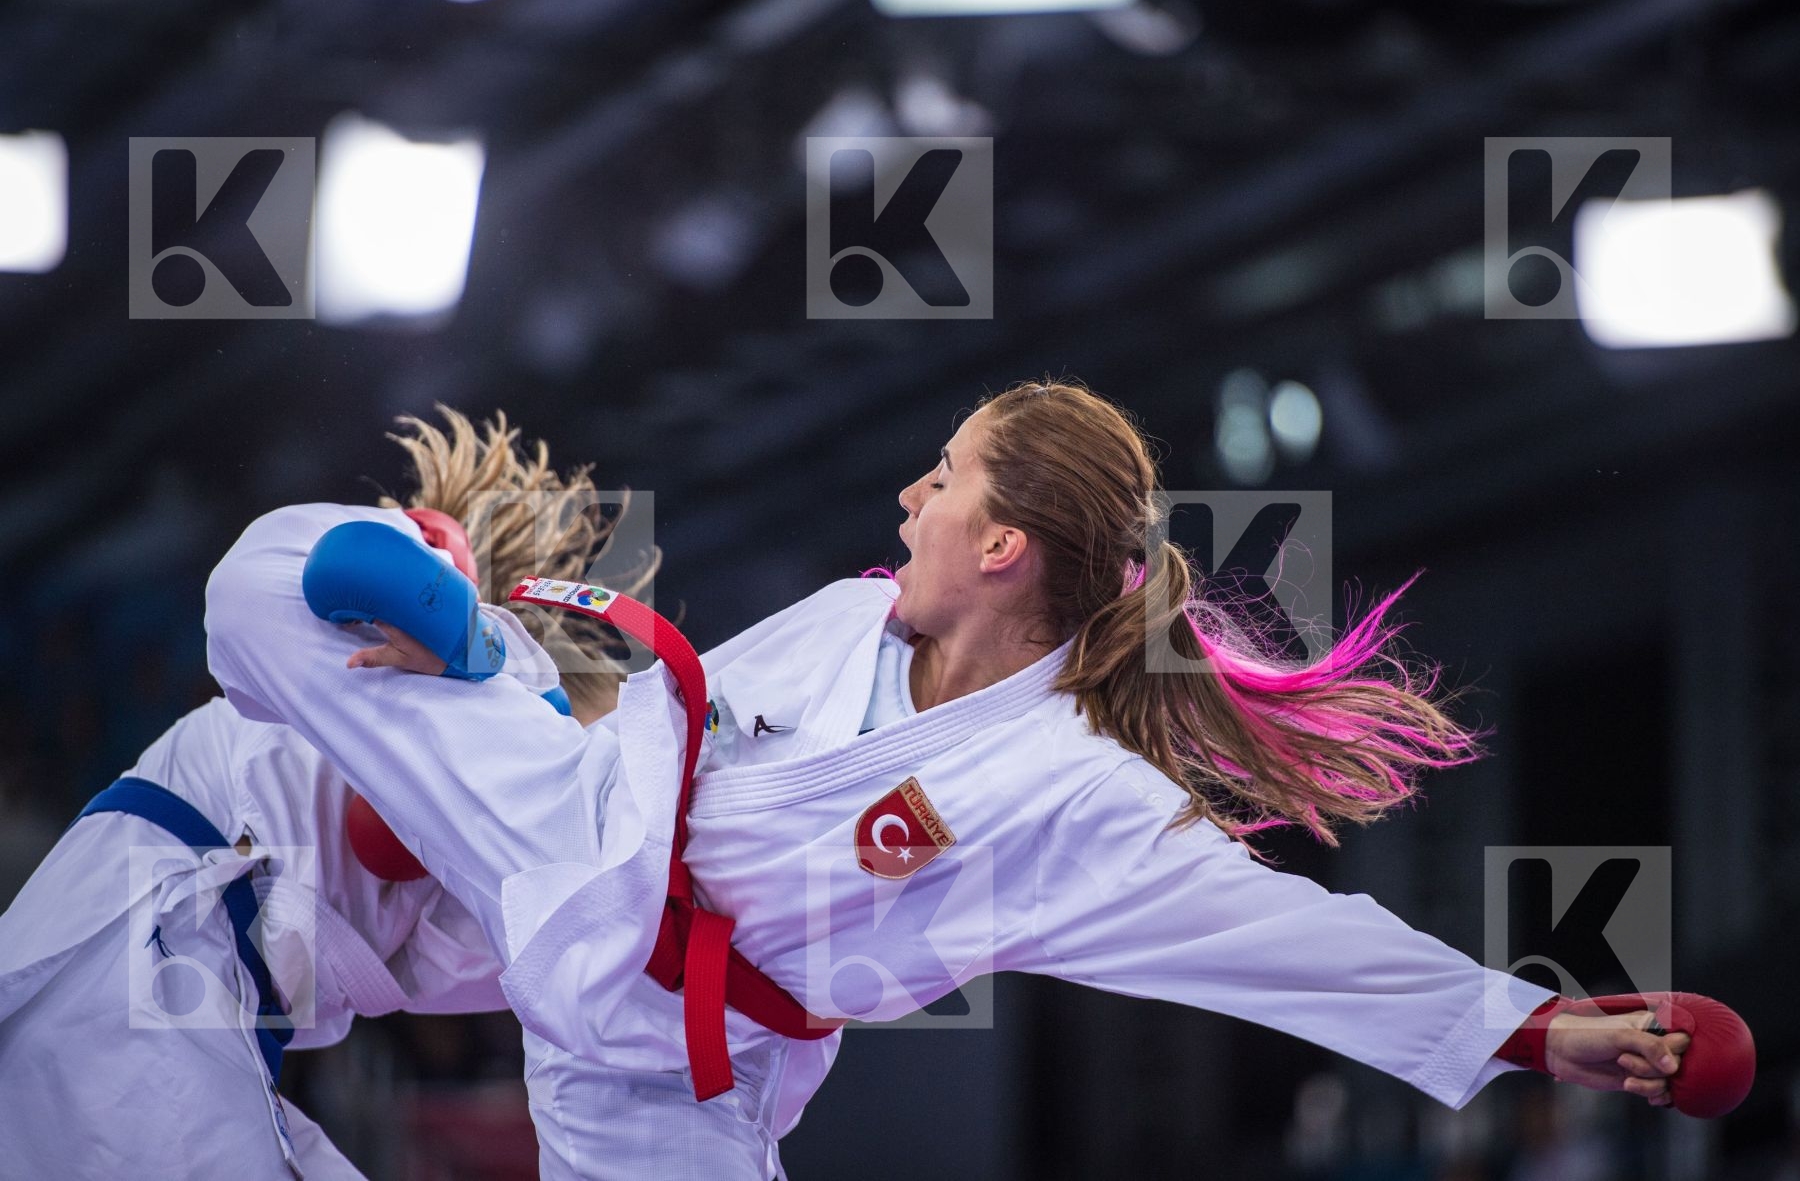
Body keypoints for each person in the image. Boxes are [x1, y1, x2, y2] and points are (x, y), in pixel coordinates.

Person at [205, 378, 1710, 1181]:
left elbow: (1292, 944)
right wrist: (512, 656)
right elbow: (678, 731)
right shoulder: (856, 610)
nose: (909, 496)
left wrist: (1532, 1028)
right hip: (563, 827)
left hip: (667, 1056)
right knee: (266, 585)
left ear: (1005, 548)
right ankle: (455, 621)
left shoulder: (1075, 795)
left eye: (944, 476)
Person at [0, 408, 639, 1180]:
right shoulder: (413, 658)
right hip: (151, 964)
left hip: (182, 1003)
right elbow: (347, 567)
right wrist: (489, 655)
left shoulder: (539, 852)